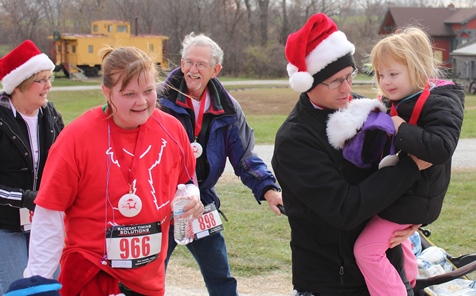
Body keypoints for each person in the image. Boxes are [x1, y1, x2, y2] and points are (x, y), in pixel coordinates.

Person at [23, 46, 204, 295]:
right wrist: (38, 281)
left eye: (149, 91)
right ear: (107, 92)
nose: (141, 102)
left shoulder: (172, 130)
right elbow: (49, 212)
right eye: (129, 93)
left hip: (148, 277)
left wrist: (192, 197)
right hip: (91, 273)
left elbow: (186, 181)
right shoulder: (77, 137)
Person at [271, 13, 430, 295]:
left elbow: (386, 171)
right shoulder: (294, 141)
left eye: (350, 76)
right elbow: (344, 210)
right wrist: (410, 168)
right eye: (335, 82)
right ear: (308, 84)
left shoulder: (359, 106)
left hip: (383, 268)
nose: (347, 88)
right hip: (332, 282)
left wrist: (411, 217)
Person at [158, 32, 283, 296]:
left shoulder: (228, 107)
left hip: (201, 202)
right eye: (189, 62)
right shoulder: (159, 101)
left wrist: (269, 189)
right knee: (147, 279)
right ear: (181, 63)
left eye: (201, 64)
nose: (193, 70)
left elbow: (244, 155)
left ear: (215, 70)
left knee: (221, 279)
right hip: (160, 202)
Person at [351, 26, 465, 295]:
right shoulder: (399, 100)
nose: (386, 81)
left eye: (393, 73)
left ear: (417, 69)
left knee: (366, 250)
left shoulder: (440, 102)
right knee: (395, 241)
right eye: (380, 74)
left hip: (413, 199)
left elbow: (441, 148)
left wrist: (399, 128)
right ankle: (411, 281)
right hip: (404, 194)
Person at [0, 40, 63, 295]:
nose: (48, 86)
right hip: (5, 224)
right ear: (19, 84)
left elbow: (66, 161)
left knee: (53, 288)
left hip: (44, 222)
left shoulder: (50, 115)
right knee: (16, 290)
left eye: (50, 78)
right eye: (41, 80)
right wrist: (26, 199)